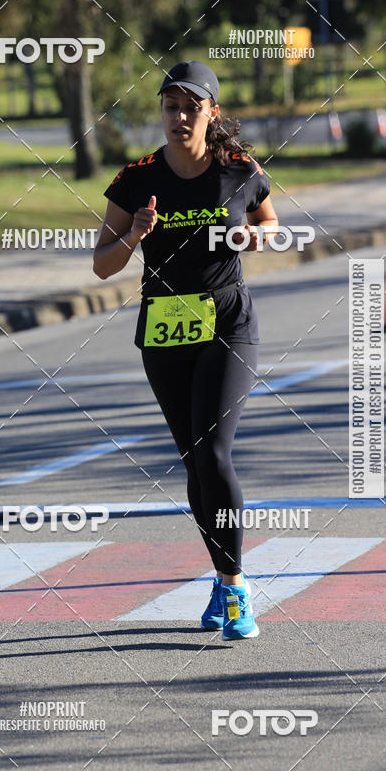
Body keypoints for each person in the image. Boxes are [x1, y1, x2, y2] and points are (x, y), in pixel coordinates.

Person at [93, 60, 278, 640]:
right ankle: (222, 578)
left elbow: (271, 224)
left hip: (228, 320)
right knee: (194, 461)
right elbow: (102, 265)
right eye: (170, 107)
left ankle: (235, 586)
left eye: (190, 107)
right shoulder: (136, 179)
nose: (178, 117)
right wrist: (135, 234)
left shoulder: (239, 170)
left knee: (214, 452)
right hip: (165, 327)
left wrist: (255, 235)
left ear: (211, 113)